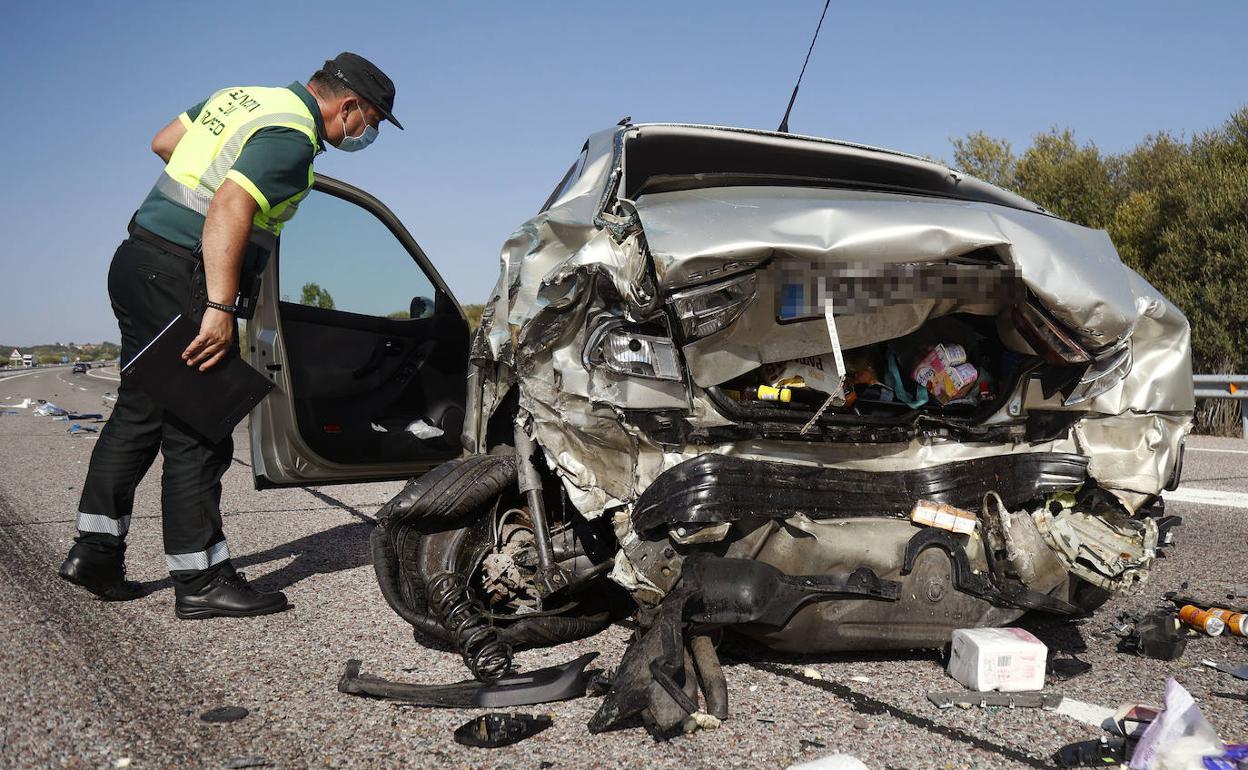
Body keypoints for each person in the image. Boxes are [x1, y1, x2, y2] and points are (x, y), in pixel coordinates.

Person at [58, 53, 403, 619]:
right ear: (349, 106)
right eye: (371, 120)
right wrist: (219, 306)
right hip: (185, 278)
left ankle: (95, 552)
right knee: (199, 428)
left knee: (139, 415)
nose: (367, 132)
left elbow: (165, 143)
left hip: (139, 259)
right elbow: (231, 203)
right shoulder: (292, 137)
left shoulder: (242, 98)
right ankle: (199, 579)